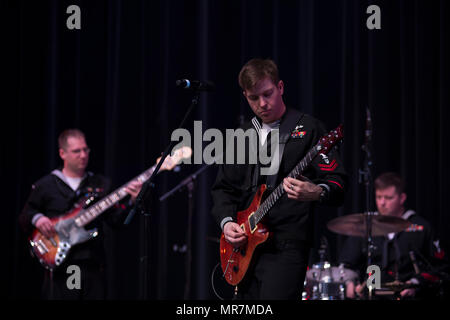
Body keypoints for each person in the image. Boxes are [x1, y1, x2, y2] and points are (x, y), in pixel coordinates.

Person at [210, 58, 347, 299]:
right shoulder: (241, 136)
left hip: (286, 246)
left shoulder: (308, 128)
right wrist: (227, 222)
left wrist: (317, 191)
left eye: (268, 94)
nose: (262, 103)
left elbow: (338, 180)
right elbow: (223, 189)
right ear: (245, 96)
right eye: (254, 98)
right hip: (245, 249)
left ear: (280, 87)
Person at [19, 129, 142, 300]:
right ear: (62, 153)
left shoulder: (100, 184)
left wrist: (133, 201)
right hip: (62, 266)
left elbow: (116, 221)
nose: (83, 155)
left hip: (92, 265)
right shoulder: (46, 185)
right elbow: (26, 214)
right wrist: (38, 219)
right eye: (76, 151)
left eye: (86, 150)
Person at [339, 172, 436, 299]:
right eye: (379, 197)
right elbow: (347, 264)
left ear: (402, 198)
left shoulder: (420, 227)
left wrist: (415, 283)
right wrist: (349, 282)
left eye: (388, 198)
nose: (382, 203)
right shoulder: (366, 227)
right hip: (374, 295)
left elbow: (438, 267)